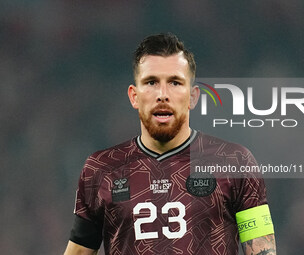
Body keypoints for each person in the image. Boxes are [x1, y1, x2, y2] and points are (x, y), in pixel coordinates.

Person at [64, 33, 276, 255]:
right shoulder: (101, 169)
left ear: (193, 96)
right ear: (134, 96)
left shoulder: (235, 162)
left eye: (175, 82)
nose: (162, 94)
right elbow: (79, 251)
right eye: (151, 82)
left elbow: (263, 251)